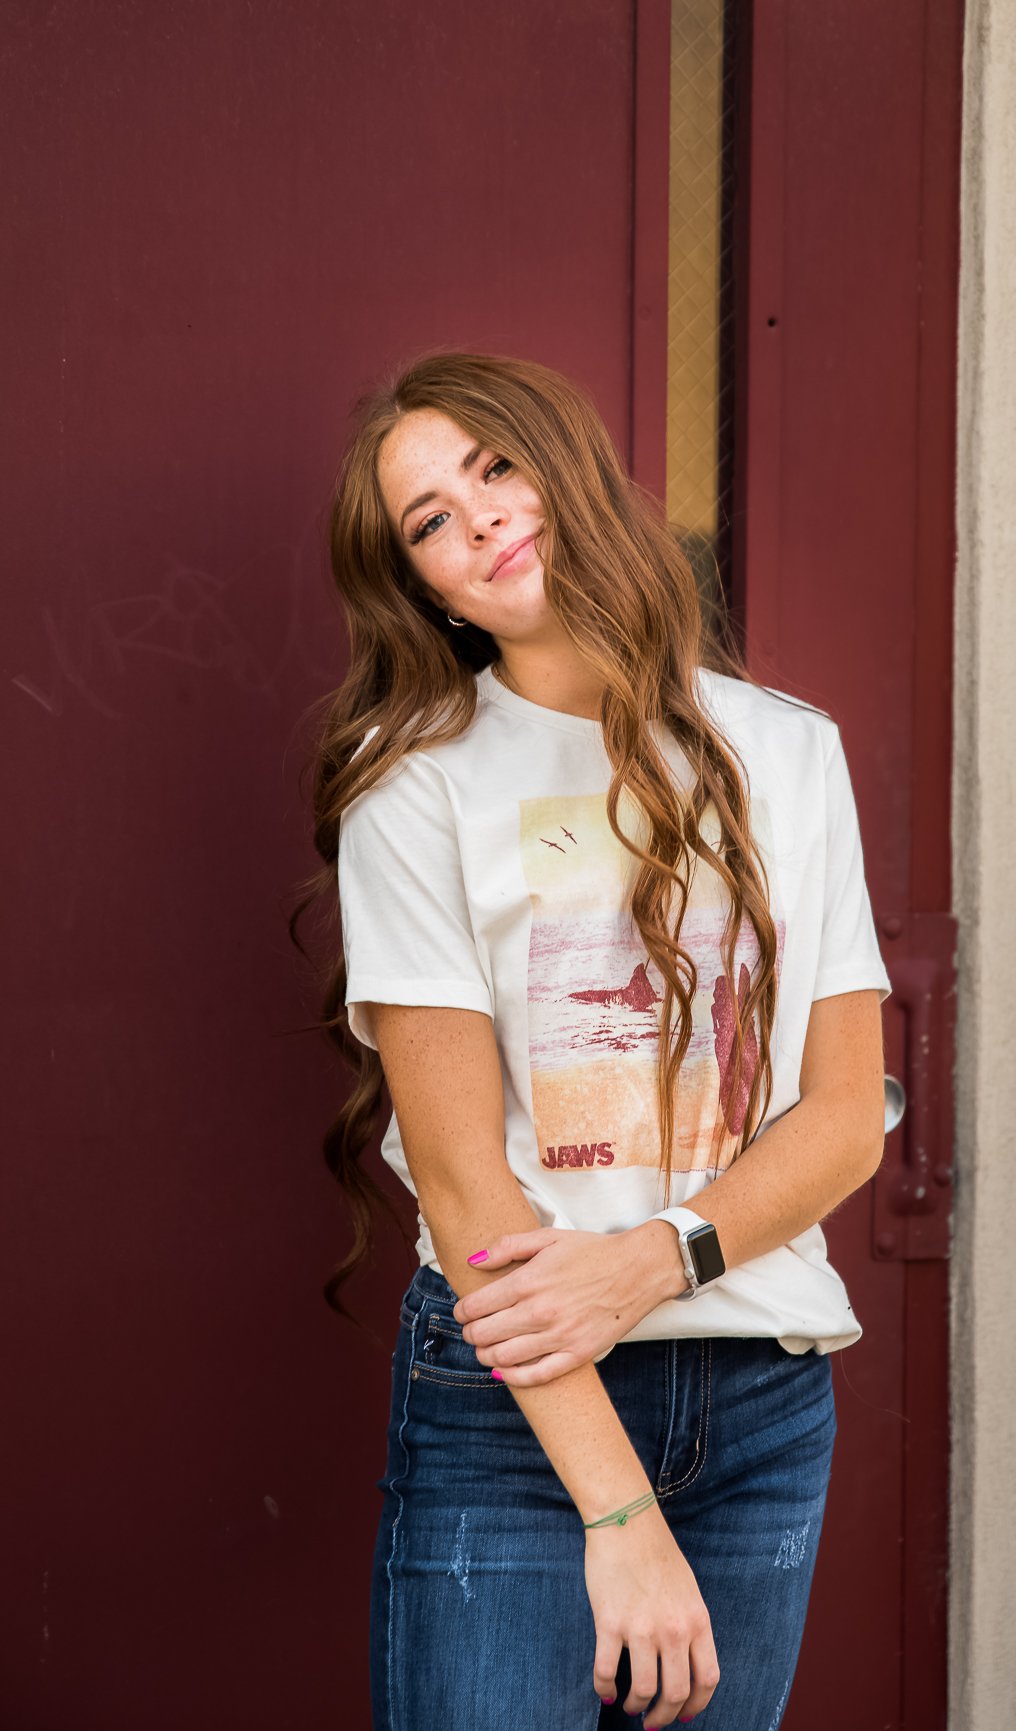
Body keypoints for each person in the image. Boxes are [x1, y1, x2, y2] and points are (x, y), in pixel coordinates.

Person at [305, 349, 891, 1730]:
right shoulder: (415, 787)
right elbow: (465, 1190)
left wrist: (649, 1261)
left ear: (566, 466)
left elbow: (843, 1117)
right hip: (518, 1413)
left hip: (759, 1392)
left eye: (495, 468)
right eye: (430, 521)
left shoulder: (788, 752)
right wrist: (618, 1513)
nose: (479, 519)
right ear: (427, 589)